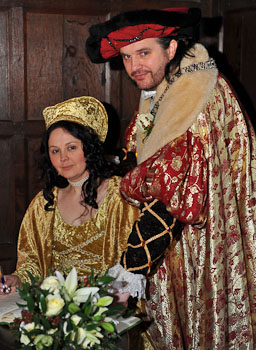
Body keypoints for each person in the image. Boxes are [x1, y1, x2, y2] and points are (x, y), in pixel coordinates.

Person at [86, 8, 256, 350]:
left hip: (194, 242)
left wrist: (130, 267)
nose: (134, 67)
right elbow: (146, 155)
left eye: (144, 53)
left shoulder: (192, 96)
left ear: (172, 49)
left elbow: (170, 195)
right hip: (177, 237)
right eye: (127, 57)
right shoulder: (170, 83)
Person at [0, 96, 140, 294]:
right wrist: (17, 279)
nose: (63, 158)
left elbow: (135, 264)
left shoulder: (120, 196)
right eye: (54, 151)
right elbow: (31, 267)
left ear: (90, 148)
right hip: (58, 311)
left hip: (110, 309)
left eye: (71, 148)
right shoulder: (44, 204)